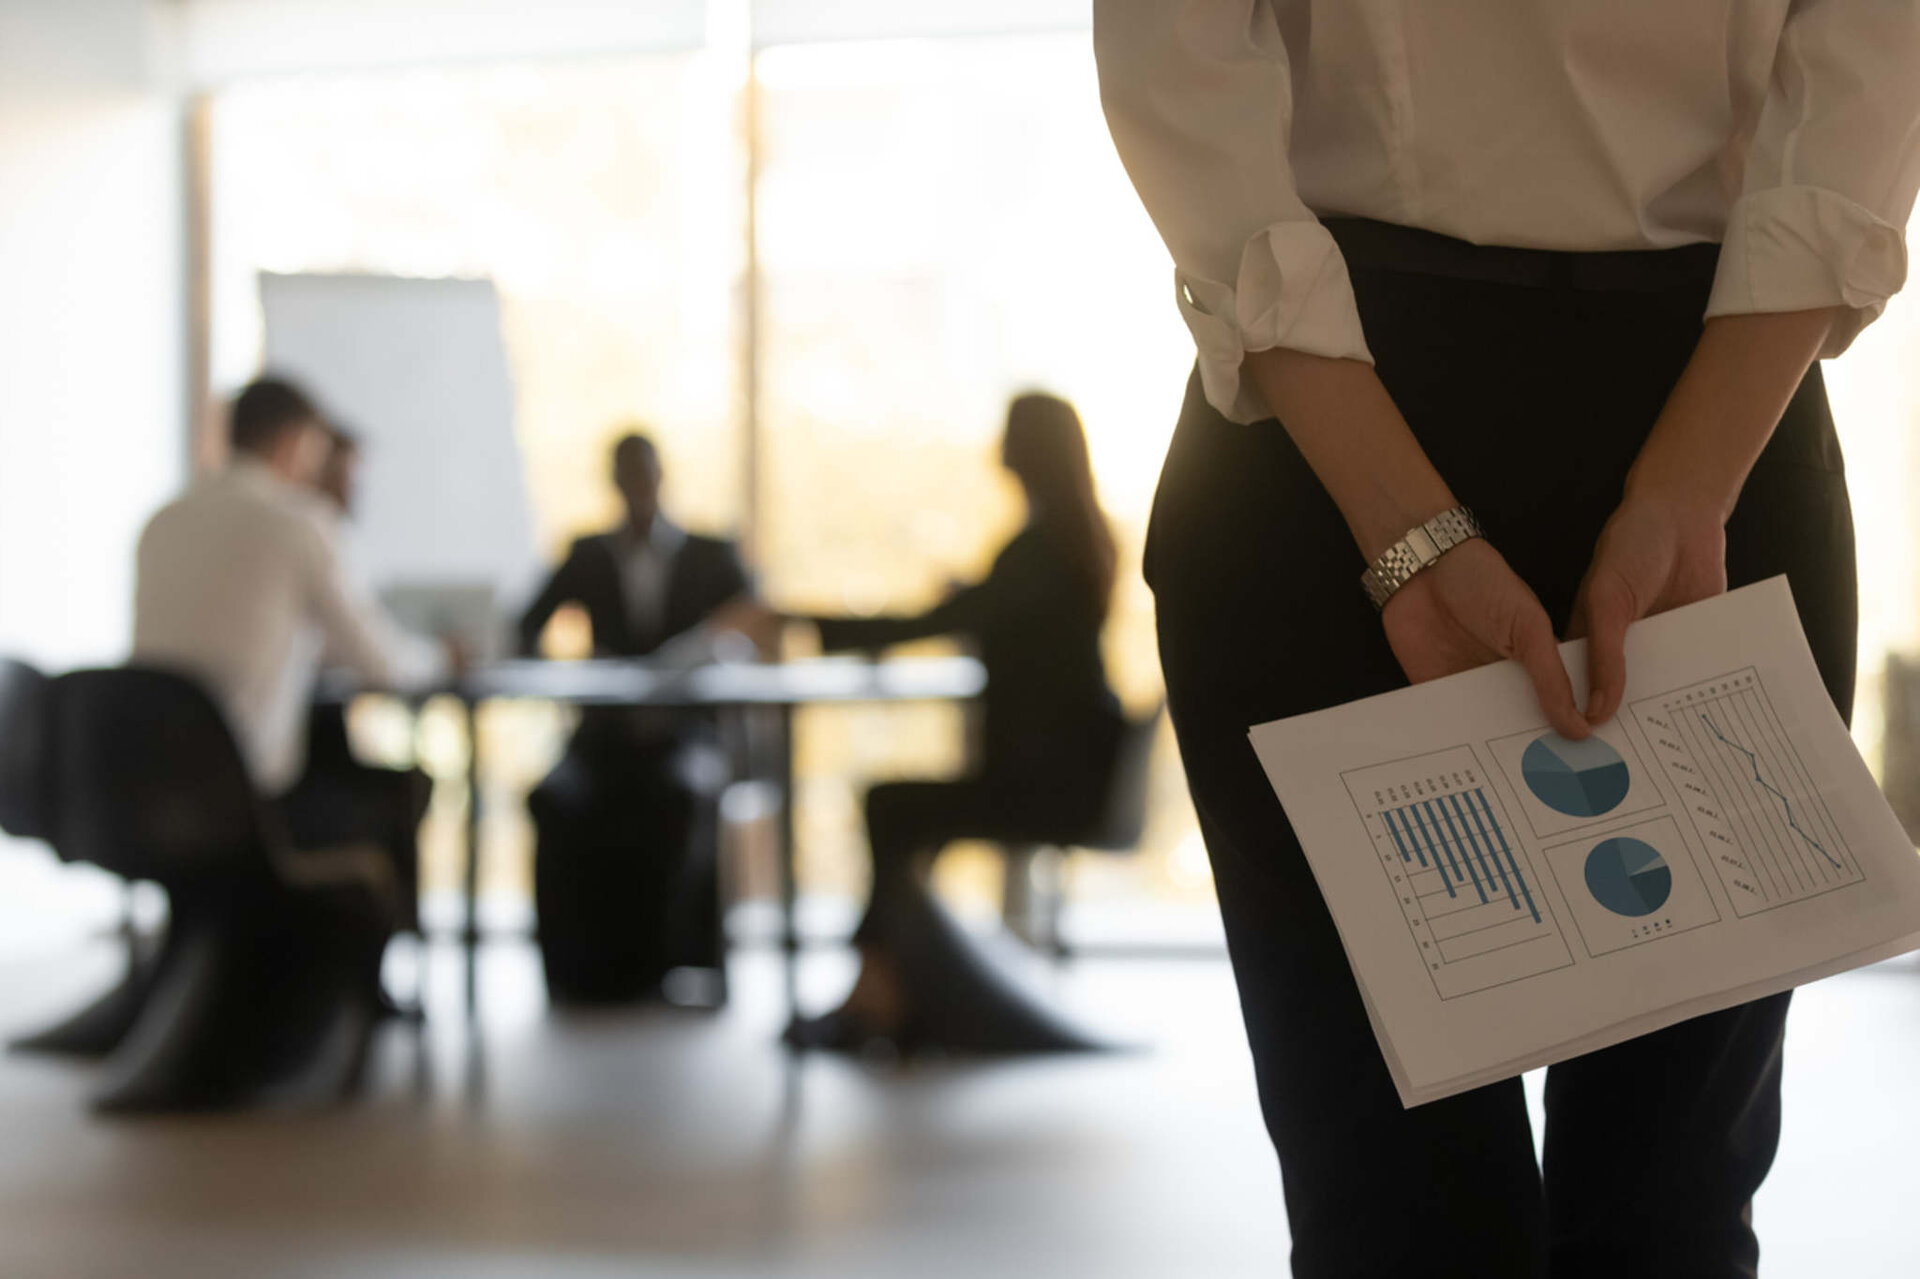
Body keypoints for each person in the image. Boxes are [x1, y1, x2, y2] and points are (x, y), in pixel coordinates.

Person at [1095, 3, 1920, 1276]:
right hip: (1369, 430)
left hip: (1692, 430)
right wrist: (1438, 527)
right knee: (1401, 1205)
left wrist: (1686, 494)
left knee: (1662, 1209)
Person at [779, 392, 1127, 1054]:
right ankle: (885, 986)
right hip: (1067, 773)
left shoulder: (1037, 551)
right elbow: (1012, 622)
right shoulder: (1073, 543)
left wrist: (800, 621)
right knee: (902, 820)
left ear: (1022, 450)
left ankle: (879, 991)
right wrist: (976, 598)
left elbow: (931, 624)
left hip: (1045, 786)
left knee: (891, 808)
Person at [516, 431, 753, 1003]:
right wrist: (572, 675)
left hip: (684, 735)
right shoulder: (587, 553)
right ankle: (576, 975)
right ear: (613, 483)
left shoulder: (711, 554)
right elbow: (525, 628)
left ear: (661, 477)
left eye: (645, 475)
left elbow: (756, 624)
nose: (637, 489)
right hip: (602, 739)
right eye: (626, 477)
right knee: (553, 799)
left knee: (675, 798)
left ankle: (662, 971)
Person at [294, 421, 435, 932]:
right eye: (346, 475)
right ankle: (368, 959)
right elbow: (381, 662)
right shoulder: (304, 528)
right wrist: (437, 658)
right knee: (403, 791)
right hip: (273, 770)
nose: (354, 490)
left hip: (213, 753)